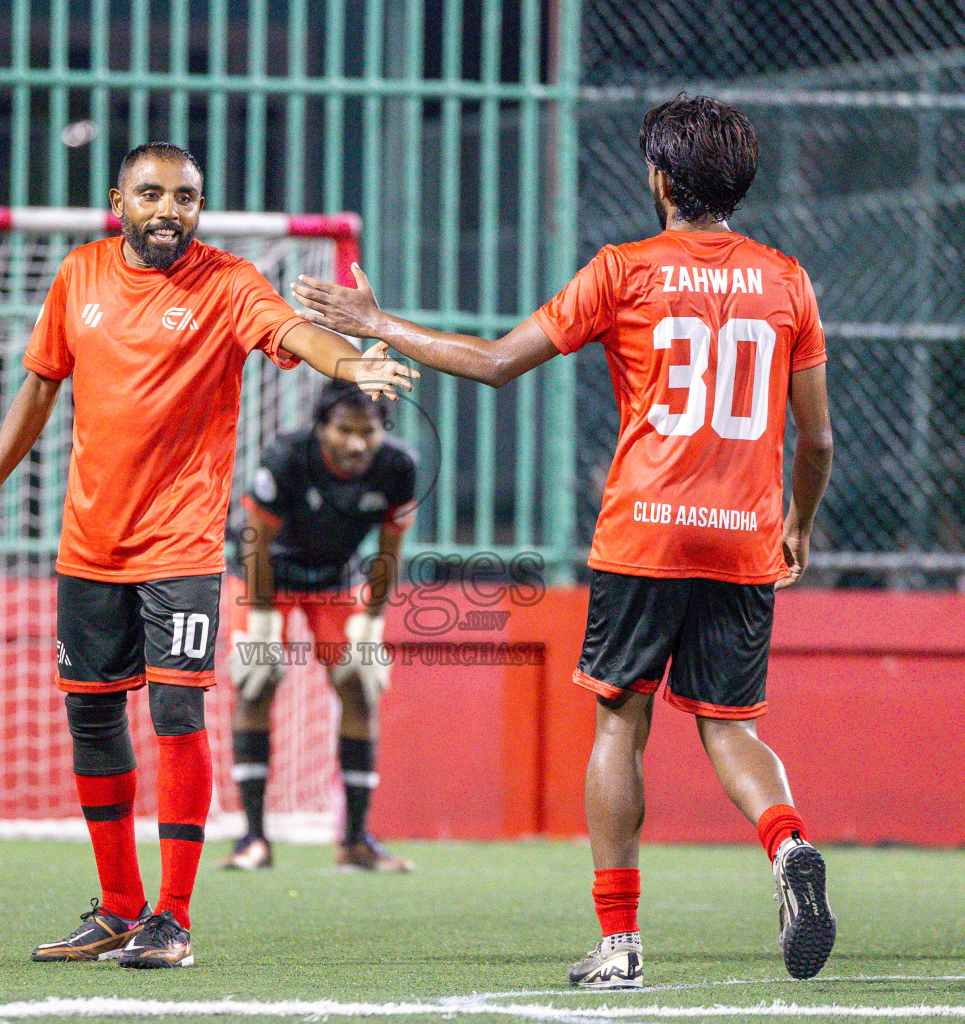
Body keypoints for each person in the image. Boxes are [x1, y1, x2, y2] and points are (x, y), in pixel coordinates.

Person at [292, 95, 836, 988]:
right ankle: (788, 848)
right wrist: (798, 524)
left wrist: (377, 325)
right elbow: (815, 440)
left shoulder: (623, 271)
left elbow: (498, 361)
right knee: (731, 726)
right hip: (745, 543)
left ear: (659, 177)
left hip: (645, 535)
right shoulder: (787, 280)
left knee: (621, 723)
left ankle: (620, 944)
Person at [0, 142, 414, 970]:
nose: (169, 209)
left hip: (182, 546)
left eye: (186, 196)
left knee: (175, 717)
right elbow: (39, 383)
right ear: (117, 199)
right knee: (92, 719)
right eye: (152, 193)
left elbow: (294, 331)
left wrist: (357, 361)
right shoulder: (79, 276)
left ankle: (173, 917)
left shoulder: (228, 283)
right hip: (89, 547)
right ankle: (119, 908)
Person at [224, 379, 418, 873]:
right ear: (322, 428)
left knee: (359, 686)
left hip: (335, 578)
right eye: (345, 430)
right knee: (256, 682)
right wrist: (264, 622)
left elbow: (389, 551)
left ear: (383, 431)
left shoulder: (399, 467)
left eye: (368, 431)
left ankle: (354, 842)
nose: (356, 443)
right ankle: (253, 839)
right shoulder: (287, 457)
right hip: (268, 574)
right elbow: (255, 541)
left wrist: (372, 625)